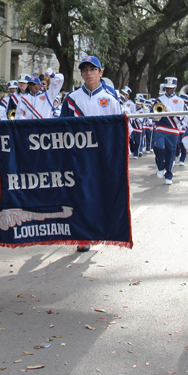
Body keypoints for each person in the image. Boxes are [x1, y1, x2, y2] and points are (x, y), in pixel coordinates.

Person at [58, 56, 122, 252]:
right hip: (78, 155)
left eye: (92, 69)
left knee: (100, 194)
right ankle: (83, 235)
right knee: (80, 194)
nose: (88, 73)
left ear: (100, 72)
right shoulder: (71, 99)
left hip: (103, 155)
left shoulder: (111, 98)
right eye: (84, 70)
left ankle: (99, 228)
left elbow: (118, 130)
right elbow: (62, 127)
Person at [152, 77, 186, 185]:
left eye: (171, 88)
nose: (169, 90)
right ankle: (160, 166)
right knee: (158, 147)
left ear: (175, 88)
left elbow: (182, 116)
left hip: (173, 129)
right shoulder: (159, 99)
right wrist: (157, 116)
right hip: (161, 127)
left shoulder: (180, 101)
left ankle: (168, 174)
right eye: (167, 88)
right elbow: (153, 115)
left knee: (171, 152)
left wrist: (171, 112)